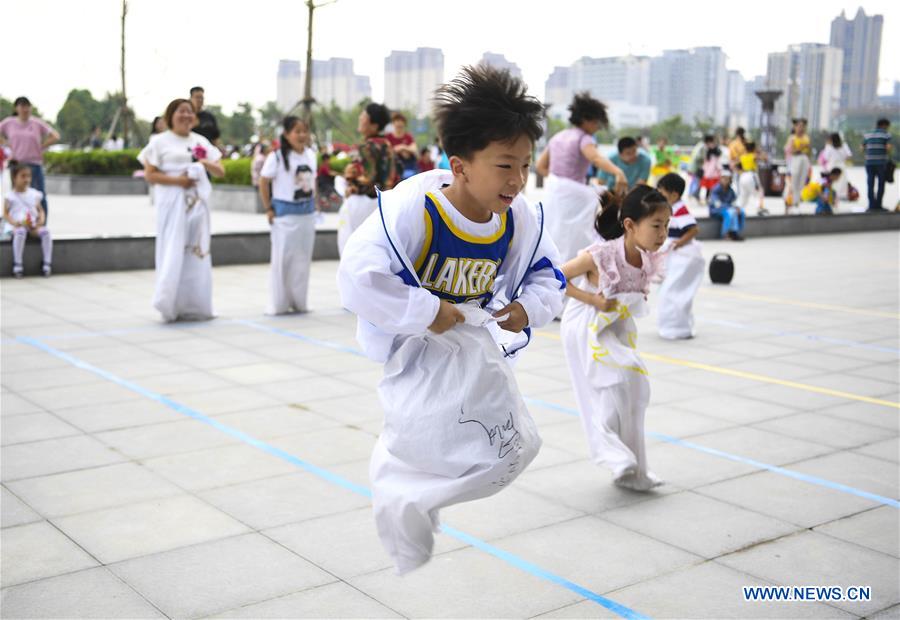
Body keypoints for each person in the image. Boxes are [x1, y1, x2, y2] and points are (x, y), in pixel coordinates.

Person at [337, 65, 565, 574]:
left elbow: (551, 276)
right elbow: (358, 275)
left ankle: (415, 495)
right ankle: (400, 493)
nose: (518, 179)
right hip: (416, 351)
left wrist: (527, 307)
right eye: (505, 165)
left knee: (513, 448)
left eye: (525, 165)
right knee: (418, 441)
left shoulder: (519, 218)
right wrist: (425, 311)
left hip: (475, 348)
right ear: (460, 166)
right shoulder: (414, 209)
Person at [559, 185, 668, 490]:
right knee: (616, 383)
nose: (662, 233)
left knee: (633, 391)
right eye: (656, 225)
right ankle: (615, 456)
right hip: (586, 325)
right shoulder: (602, 255)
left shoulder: (647, 259)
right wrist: (593, 299)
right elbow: (555, 276)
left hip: (615, 326)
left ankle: (635, 469)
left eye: (666, 226)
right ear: (631, 225)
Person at [138, 98, 224, 322]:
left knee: (196, 252)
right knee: (173, 250)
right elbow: (150, 174)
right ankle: (169, 303)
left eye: (189, 112)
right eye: (181, 112)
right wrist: (179, 182)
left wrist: (203, 163)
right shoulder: (159, 142)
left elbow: (220, 171)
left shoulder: (200, 141)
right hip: (172, 203)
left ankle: (197, 304)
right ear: (170, 116)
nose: (186, 116)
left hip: (197, 206)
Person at [535, 92, 627, 263]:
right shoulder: (585, 139)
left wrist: (559, 181)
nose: (598, 127)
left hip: (554, 193)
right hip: (575, 195)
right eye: (597, 122)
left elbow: (540, 166)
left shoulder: (558, 137)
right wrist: (618, 172)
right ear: (586, 119)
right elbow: (595, 158)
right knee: (575, 236)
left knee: (555, 232)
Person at [258, 117, 318, 315]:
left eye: (304, 131)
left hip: (307, 214)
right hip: (284, 216)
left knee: (302, 260)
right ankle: (279, 304)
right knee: (282, 260)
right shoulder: (276, 157)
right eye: (297, 131)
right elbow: (264, 182)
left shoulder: (310, 154)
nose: (301, 135)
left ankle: (300, 302)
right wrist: (269, 208)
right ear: (286, 134)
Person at [337, 102, 396, 254]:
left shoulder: (364, 147)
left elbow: (355, 175)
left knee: (351, 248)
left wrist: (349, 185)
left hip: (360, 204)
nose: (360, 117)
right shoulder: (388, 145)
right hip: (383, 203)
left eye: (363, 115)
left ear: (374, 125)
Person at [655, 173, 703, 339]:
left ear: (674, 194)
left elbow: (694, 229)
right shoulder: (670, 209)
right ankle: (675, 326)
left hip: (683, 257)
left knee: (672, 291)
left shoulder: (680, 209)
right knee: (671, 291)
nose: (659, 195)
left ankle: (677, 328)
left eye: (662, 193)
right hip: (675, 256)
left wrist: (679, 243)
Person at [0, 97, 59, 222]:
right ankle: (15, 225)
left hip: (34, 164)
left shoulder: (36, 123)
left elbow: (55, 136)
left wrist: (42, 146)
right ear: (16, 108)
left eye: (27, 106)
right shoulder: (9, 123)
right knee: (16, 197)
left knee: (39, 196)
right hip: (17, 164)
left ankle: (40, 225)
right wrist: (5, 143)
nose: (25, 109)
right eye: (22, 106)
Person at [3, 161, 52, 278]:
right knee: (20, 233)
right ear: (14, 178)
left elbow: (40, 210)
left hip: (33, 226)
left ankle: (47, 263)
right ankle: (18, 264)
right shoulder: (10, 196)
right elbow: (5, 213)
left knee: (46, 233)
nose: (26, 179)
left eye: (28, 176)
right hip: (17, 226)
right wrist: (14, 223)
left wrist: (41, 221)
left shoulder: (34, 194)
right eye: (23, 176)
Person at [863, 118, 894, 212]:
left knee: (870, 184)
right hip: (881, 163)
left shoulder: (867, 134)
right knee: (881, 184)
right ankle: (878, 205)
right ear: (884, 125)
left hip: (869, 163)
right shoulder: (886, 135)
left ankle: (871, 206)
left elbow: (862, 147)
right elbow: (888, 147)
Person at [784, 118, 810, 213]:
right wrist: (798, 149)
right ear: (795, 127)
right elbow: (790, 150)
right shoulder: (792, 138)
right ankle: (789, 203)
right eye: (799, 126)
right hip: (795, 160)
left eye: (803, 126)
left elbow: (807, 150)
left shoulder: (806, 137)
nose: (801, 128)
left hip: (804, 160)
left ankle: (796, 203)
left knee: (801, 183)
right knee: (792, 182)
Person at [709, 170, 744, 240]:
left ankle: (736, 232)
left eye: (727, 178)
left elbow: (734, 201)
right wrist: (731, 208)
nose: (725, 180)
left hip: (727, 208)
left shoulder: (731, 190)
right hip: (716, 210)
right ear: (720, 179)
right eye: (723, 178)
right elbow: (717, 204)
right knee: (731, 212)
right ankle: (725, 234)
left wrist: (737, 207)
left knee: (741, 211)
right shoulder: (716, 189)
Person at [386, 112, 419, 181]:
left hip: (409, 169)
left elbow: (415, 150)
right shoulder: (388, 137)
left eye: (401, 121)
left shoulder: (408, 137)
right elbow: (387, 152)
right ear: (393, 123)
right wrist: (398, 150)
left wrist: (402, 147)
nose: (399, 123)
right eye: (397, 121)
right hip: (392, 169)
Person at [818, 133, 852, 199]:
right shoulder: (844, 146)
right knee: (842, 182)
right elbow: (849, 155)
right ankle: (842, 196)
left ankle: (832, 195)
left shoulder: (829, 147)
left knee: (832, 182)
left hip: (831, 165)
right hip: (841, 166)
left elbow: (826, 157)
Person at [738, 141, 768, 215]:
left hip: (742, 176)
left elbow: (735, 165)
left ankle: (739, 209)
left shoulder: (742, 156)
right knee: (759, 192)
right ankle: (759, 208)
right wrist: (759, 151)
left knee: (743, 195)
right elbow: (765, 159)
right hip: (752, 175)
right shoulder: (753, 155)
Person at [688, 135, 715, 200]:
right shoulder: (703, 147)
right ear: (709, 141)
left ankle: (691, 195)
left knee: (694, 181)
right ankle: (693, 194)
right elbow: (700, 157)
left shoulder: (700, 145)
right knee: (697, 181)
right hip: (697, 167)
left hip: (693, 166)